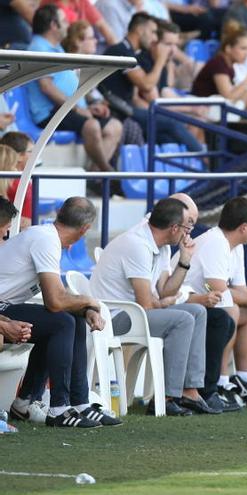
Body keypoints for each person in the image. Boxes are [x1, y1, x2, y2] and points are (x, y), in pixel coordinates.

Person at [90, 197, 218, 415]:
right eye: (187, 226)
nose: (188, 233)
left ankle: (190, 390)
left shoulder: (163, 245)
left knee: (197, 312)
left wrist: (185, 260)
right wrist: (164, 303)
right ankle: (166, 397)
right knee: (183, 319)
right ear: (174, 228)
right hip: (111, 317)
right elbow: (147, 304)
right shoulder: (137, 245)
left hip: (133, 312)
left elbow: (167, 290)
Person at [2, 197, 121, 428]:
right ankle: (59, 408)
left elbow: (58, 296)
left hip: (5, 305)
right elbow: (55, 302)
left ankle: (76, 404)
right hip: (1, 308)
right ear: (85, 229)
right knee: (61, 323)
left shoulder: (46, 236)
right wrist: (92, 302)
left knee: (71, 320)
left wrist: (85, 308)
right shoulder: (46, 239)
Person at [179, 196, 247, 408]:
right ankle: (221, 383)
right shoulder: (216, 243)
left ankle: (244, 381)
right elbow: (217, 288)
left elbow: (240, 289)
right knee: (230, 310)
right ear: (243, 227)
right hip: (185, 301)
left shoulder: (237, 246)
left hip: (207, 301)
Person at [28, 5, 121, 174]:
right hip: (50, 112)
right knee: (91, 126)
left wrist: (89, 105)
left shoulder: (55, 47)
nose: (68, 24)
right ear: (53, 25)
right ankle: (107, 172)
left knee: (114, 126)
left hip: (67, 109)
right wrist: (78, 108)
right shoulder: (39, 48)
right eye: (64, 21)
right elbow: (46, 87)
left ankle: (96, 176)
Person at [101, 13, 203, 152]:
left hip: (127, 109)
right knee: (173, 123)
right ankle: (208, 161)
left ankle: (200, 167)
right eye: (153, 32)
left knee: (169, 140)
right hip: (119, 111)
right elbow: (146, 85)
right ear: (140, 30)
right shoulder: (120, 51)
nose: (155, 37)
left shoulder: (131, 52)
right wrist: (161, 60)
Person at [191, 21, 247, 118]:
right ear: (228, 49)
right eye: (243, 49)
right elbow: (229, 96)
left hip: (216, 109)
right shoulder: (218, 63)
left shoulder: (230, 65)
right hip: (202, 110)